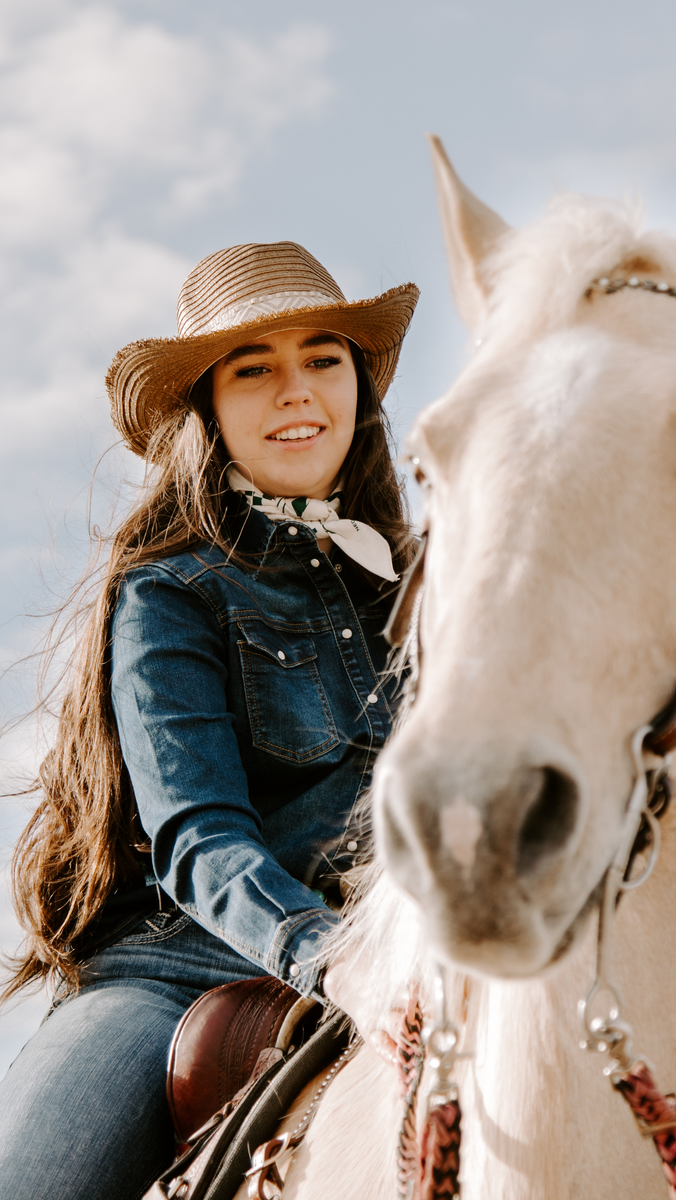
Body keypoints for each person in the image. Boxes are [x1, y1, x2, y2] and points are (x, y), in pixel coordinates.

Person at [0, 240, 419, 1199]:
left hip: (409, 961)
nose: (296, 391)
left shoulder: (430, 590)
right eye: (253, 369)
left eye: (322, 358)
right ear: (209, 407)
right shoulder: (171, 589)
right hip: (184, 968)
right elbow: (198, 836)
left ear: (359, 383)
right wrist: (338, 956)